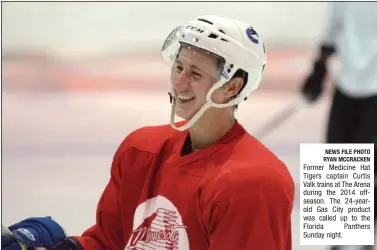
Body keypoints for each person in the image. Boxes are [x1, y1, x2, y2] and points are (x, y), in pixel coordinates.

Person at [2, 15, 295, 250]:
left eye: (194, 74)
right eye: (178, 67)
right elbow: (110, 241)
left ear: (232, 87)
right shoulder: (141, 150)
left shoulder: (252, 184)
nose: (179, 83)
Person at [300, 2, 377, 250]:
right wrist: (318, 69)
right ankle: (338, 241)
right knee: (336, 164)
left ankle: (361, 240)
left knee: (367, 165)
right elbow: (333, 28)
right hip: (347, 83)